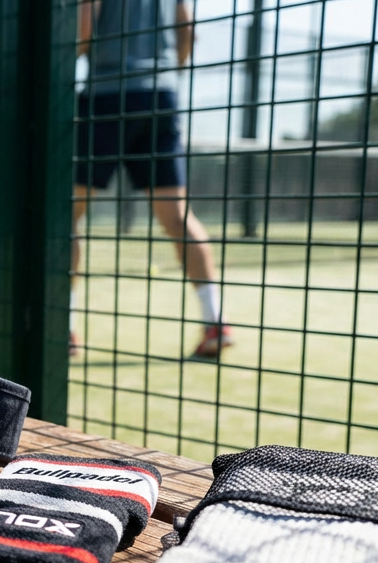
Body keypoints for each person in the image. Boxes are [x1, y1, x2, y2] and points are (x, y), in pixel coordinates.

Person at [73, 0, 229, 360]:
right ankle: (215, 320)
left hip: (105, 96)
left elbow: (84, 30)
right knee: (178, 216)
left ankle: (65, 330)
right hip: (160, 95)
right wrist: (165, 72)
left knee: (68, 215)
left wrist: (82, 55)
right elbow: (187, 30)